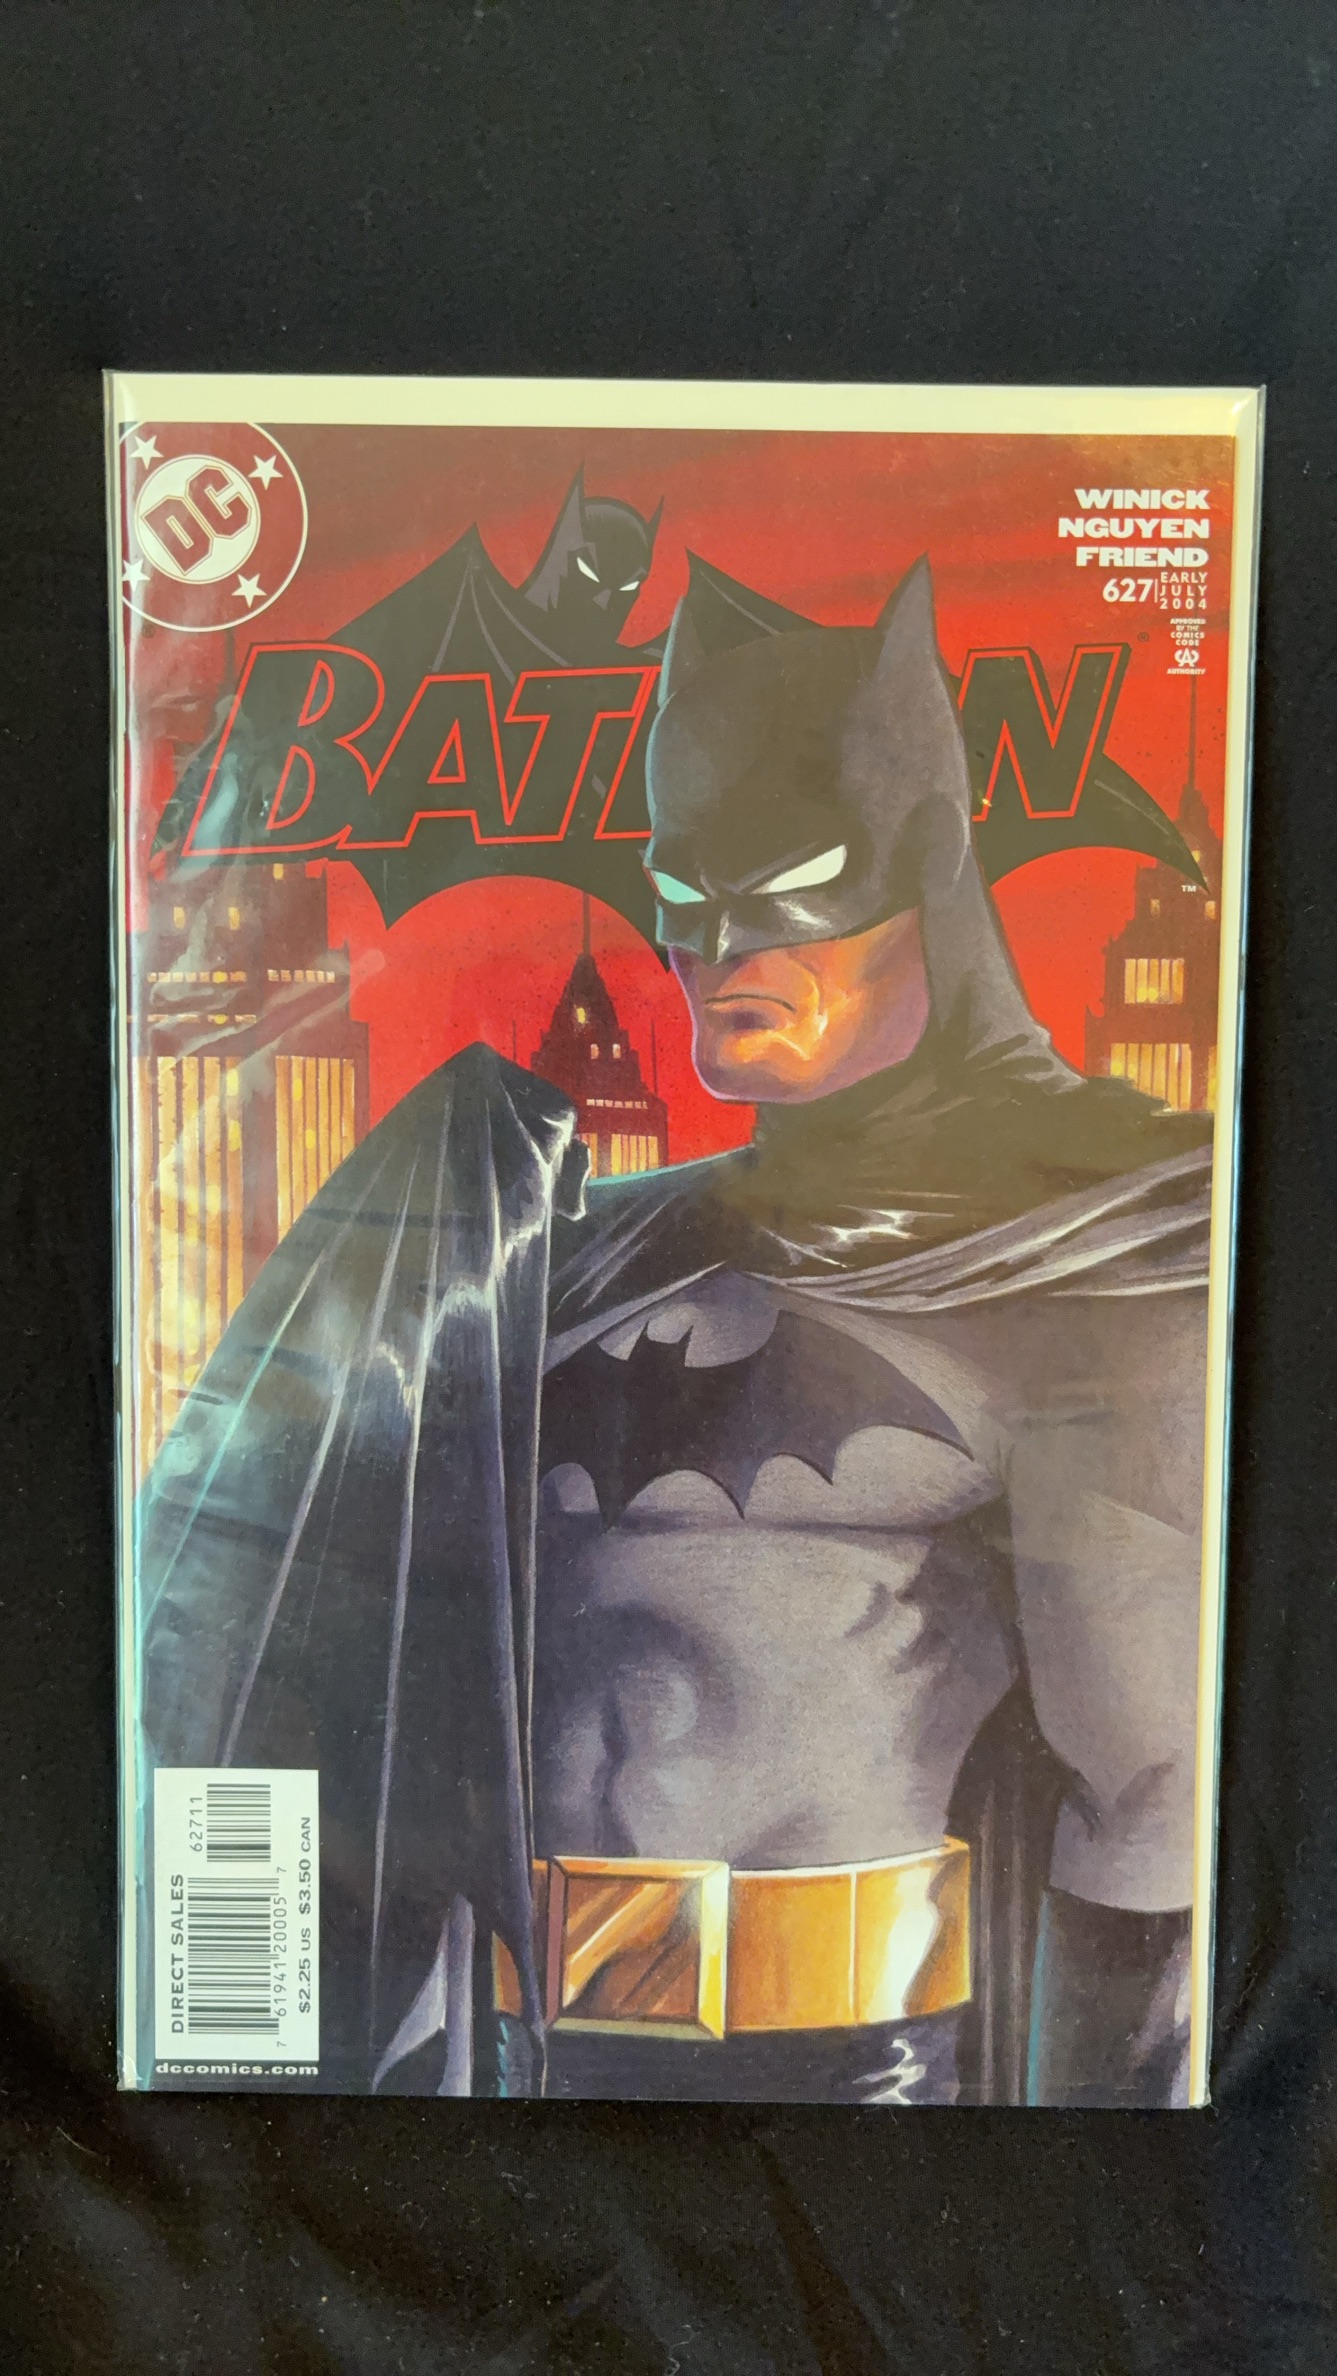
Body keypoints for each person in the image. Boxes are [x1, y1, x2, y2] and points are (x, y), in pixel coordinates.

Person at [139, 563, 1212, 2105]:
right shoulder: (576, 1236)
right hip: (515, 2046)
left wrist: (1094, 2173)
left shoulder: (1093, 1251)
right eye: (687, 903)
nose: (720, 956)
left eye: (789, 895)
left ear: (929, 874)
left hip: (853, 2066)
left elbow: (1151, 1791)